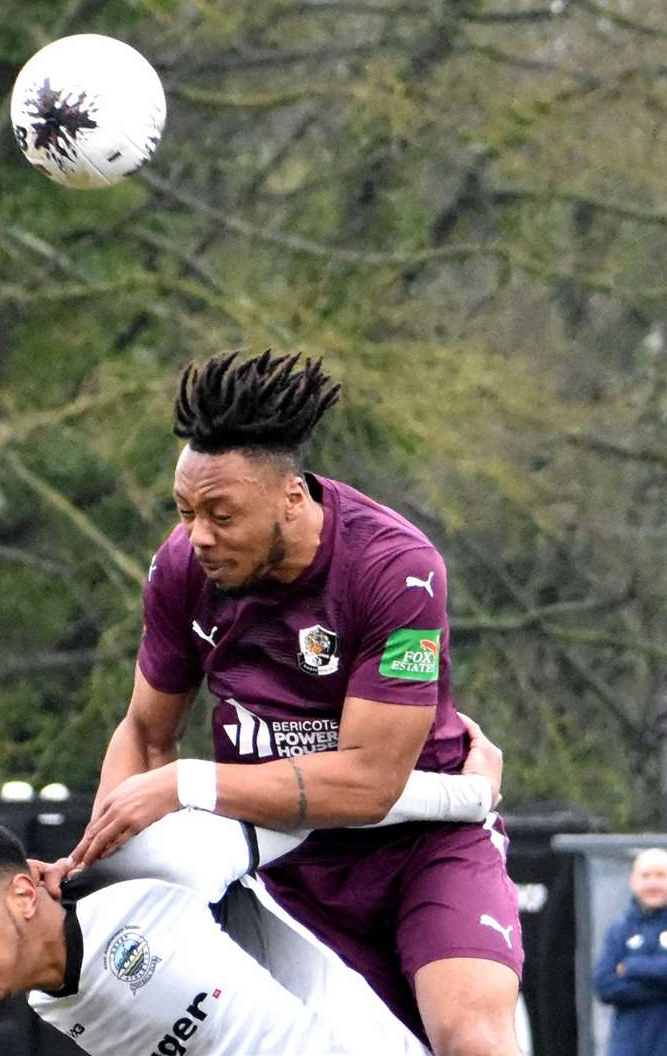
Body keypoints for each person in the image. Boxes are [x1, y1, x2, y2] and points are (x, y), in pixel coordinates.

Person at [46, 349, 522, 1055]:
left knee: (468, 1038)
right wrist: (103, 863)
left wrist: (188, 785)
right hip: (286, 869)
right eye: (185, 512)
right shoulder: (181, 567)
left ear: (292, 497)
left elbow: (368, 781)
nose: (199, 535)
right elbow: (148, 736)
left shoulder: (397, 568)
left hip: (425, 848)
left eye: (222, 514)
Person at [0, 752, 500, 1056]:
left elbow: (322, 806)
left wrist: (466, 794)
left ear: (21, 893)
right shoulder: (49, 1002)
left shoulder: (137, 870)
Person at [593, 847, 667, 1056]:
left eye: (660, 875)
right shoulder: (620, 928)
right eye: (646, 876)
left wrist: (632, 967)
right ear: (633, 881)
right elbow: (604, 984)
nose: (653, 883)